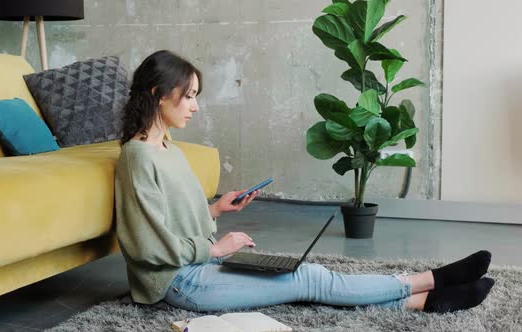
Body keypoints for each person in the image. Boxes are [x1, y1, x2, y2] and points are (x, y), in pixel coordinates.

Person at [114, 50, 495, 314]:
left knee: (304, 277)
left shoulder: (168, 148)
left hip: (196, 268)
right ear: (158, 94)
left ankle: (425, 300)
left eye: (196, 96)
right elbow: (147, 245)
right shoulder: (137, 157)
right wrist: (215, 250)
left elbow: (172, 220)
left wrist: (215, 209)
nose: (195, 106)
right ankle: (430, 279)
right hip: (178, 284)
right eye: (189, 96)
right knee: (308, 279)